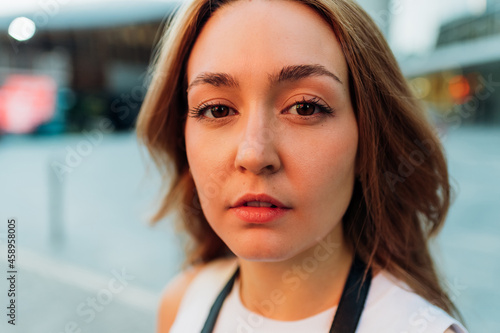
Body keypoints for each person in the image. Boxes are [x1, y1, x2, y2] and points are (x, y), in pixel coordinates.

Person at [136, 0, 469, 332]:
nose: (254, 155)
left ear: (367, 140)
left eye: (306, 107)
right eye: (218, 110)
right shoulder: (182, 303)